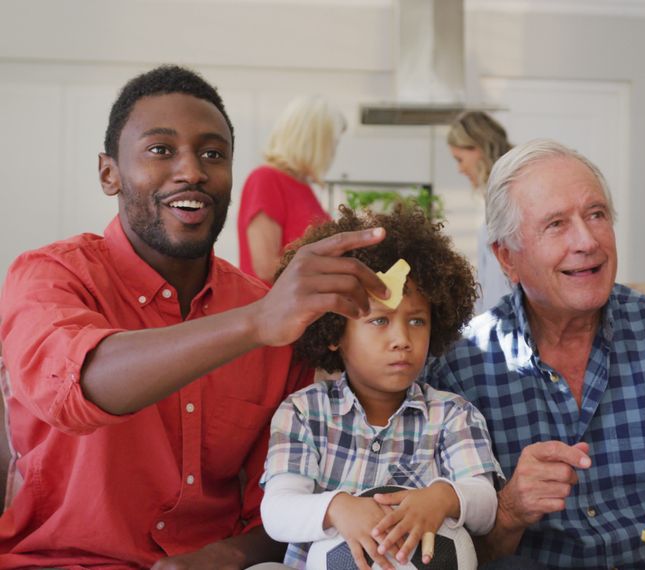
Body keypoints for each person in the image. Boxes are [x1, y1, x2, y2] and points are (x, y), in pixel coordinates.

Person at [0, 65, 390, 568]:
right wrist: (255, 322)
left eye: (213, 153)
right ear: (108, 173)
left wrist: (224, 555)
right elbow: (79, 385)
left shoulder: (269, 320)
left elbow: (283, 501)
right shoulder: (49, 276)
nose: (192, 171)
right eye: (161, 150)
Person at [425, 138, 645, 568]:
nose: (588, 240)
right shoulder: (459, 367)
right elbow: (452, 557)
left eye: (596, 215)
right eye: (556, 224)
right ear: (506, 258)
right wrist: (512, 509)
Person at [259, 205, 502, 569]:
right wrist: (337, 508)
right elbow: (277, 510)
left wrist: (442, 498)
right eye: (379, 321)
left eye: (417, 320)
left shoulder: (453, 415)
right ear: (334, 332)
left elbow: (485, 506)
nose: (402, 339)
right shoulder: (302, 413)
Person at [239, 95, 344, 283]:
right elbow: (266, 267)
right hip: (274, 309)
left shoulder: (303, 186)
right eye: (332, 143)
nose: (333, 152)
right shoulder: (266, 179)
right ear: (315, 142)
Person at [446, 111, 514, 314]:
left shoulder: (511, 193)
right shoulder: (493, 196)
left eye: (459, 159)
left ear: (478, 148)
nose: (460, 169)